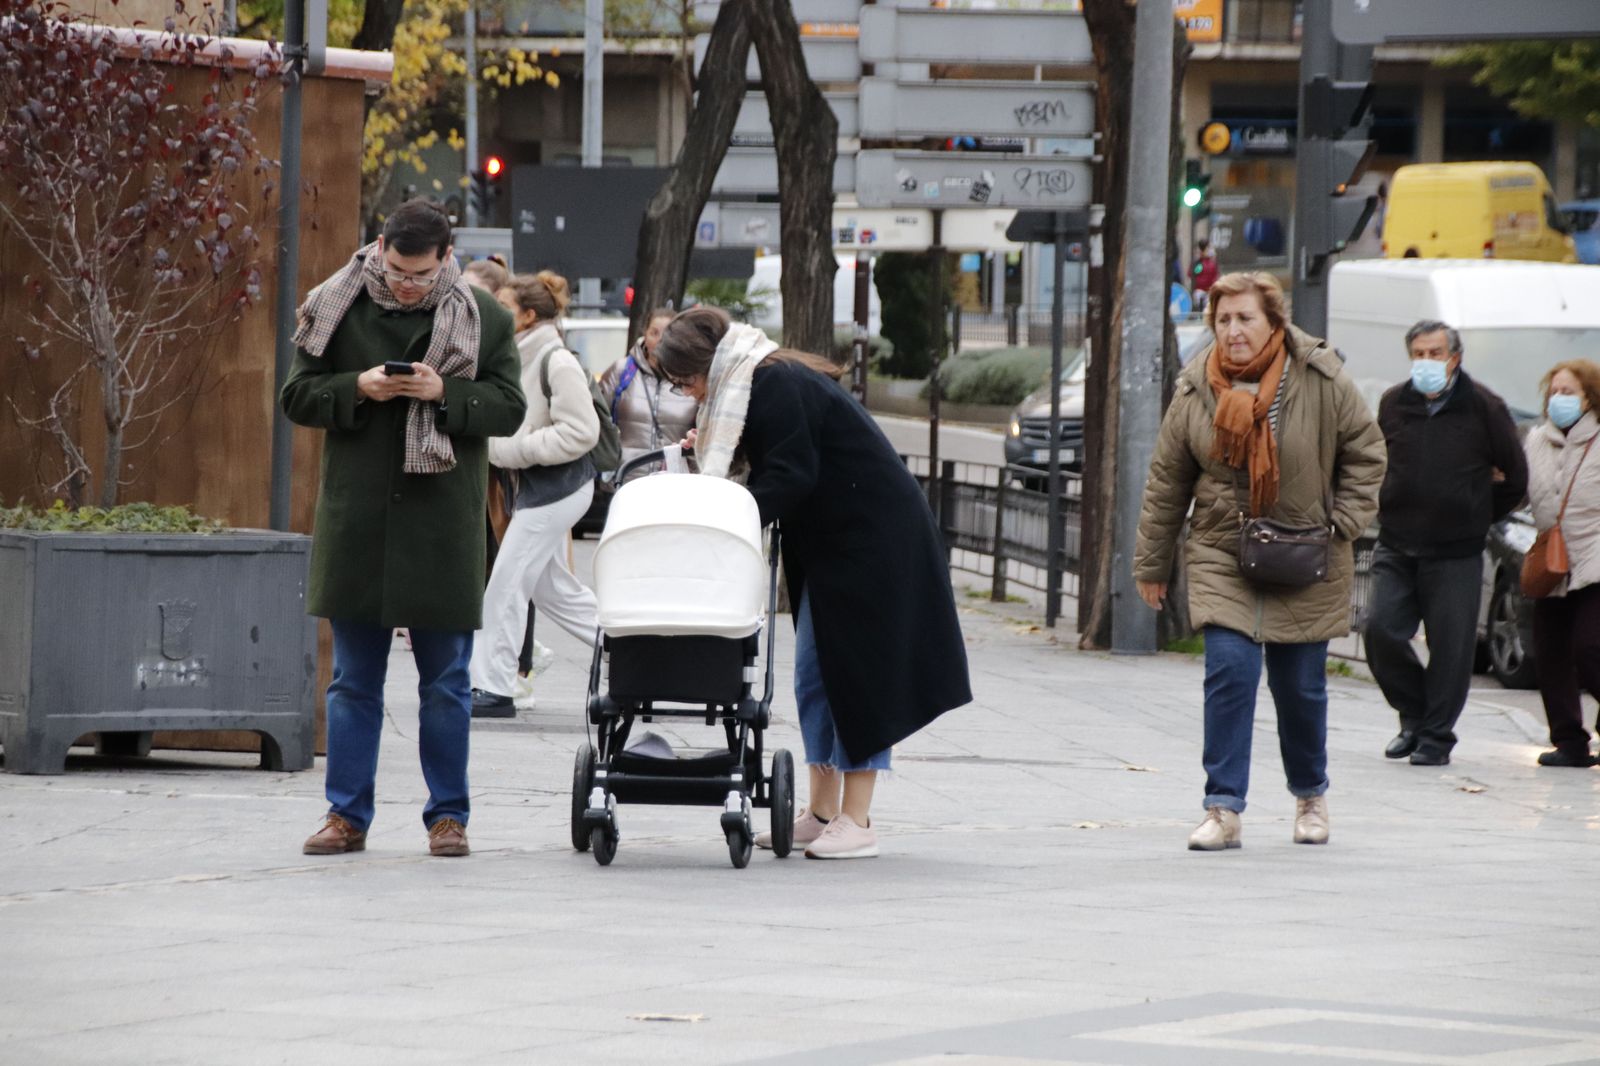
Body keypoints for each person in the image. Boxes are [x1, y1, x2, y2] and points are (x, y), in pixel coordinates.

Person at [654, 307, 972, 860]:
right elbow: (784, 465)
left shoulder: (773, 382)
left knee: (857, 676)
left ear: (708, 364)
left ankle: (858, 819)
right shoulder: (755, 382)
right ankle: (823, 811)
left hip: (871, 542)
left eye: (687, 380)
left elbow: (791, 474)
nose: (691, 394)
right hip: (837, 544)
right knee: (815, 678)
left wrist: (727, 517)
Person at [281, 198, 526, 858]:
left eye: (419, 274)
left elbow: (509, 409)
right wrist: (357, 386)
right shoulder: (338, 302)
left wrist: (443, 396)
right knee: (353, 680)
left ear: (447, 258)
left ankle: (448, 817)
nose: (405, 285)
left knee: (445, 683)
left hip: (441, 521)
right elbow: (296, 395)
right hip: (357, 519)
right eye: (394, 270)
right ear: (378, 248)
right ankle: (346, 816)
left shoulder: (488, 318)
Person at [1134, 271, 1385, 851]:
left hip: (1305, 553)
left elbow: (1367, 452)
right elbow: (1168, 479)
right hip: (1224, 550)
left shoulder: (1320, 377)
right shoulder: (1197, 386)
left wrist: (1342, 523)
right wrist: (1152, 564)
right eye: (1222, 319)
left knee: (1300, 688)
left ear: (1273, 320)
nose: (1233, 330)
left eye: (1245, 318)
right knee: (1230, 671)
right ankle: (1222, 808)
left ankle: (1310, 793)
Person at [1365, 321, 1527, 767]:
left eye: (1435, 353)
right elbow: (1378, 461)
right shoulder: (1394, 403)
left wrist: (1476, 512)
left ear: (1455, 358)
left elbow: (1516, 477)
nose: (1427, 362)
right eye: (1419, 353)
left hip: (1456, 549)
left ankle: (1436, 736)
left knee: (1451, 648)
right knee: (1380, 630)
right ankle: (1414, 715)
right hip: (1397, 542)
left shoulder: (1485, 407)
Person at [468, 271, 602, 716]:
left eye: (504, 309)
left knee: (506, 583)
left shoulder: (555, 360)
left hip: (559, 487)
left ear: (527, 315)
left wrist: (512, 451)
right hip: (546, 488)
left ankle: (495, 687)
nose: (496, 316)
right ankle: (640, 655)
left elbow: (582, 431)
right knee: (553, 591)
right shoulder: (522, 355)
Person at [1524, 359, 1600, 768]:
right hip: (1551, 561)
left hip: (1595, 557)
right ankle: (1570, 742)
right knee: (1549, 652)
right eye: (1554, 391)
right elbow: (1521, 490)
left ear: (1589, 397)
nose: (1559, 399)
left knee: (1589, 647)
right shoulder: (1536, 440)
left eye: (1568, 392)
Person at [599, 307, 699, 471]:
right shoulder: (621, 371)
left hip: (673, 481)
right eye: (654, 333)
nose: (660, 340)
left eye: (667, 334)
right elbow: (598, 419)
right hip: (625, 479)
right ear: (644, 334)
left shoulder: (690, 378)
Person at [1191, 239, 1220, 305]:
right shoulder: (1199, 263)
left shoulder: (1212, 263)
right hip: (1200, 291)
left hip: (1210, 292)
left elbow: (1215, 276)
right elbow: (1193, 274)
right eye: (1208, 248)